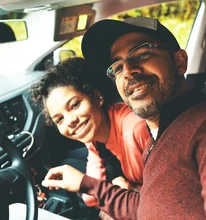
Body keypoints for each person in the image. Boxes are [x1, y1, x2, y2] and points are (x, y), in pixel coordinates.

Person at [42, 16, 206, 220]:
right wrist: (86, 184)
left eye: (142, 54)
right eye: (117, 67)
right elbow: (151, 204)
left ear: (180, 62)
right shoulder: (157, 136)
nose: (127, 70)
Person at [30, 57, 150, 218]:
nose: (71, 121)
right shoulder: (94, 137)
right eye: (59, 119)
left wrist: (125, 190)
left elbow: (163, 201)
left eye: (75, 105)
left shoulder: (136, 130)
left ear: (97, 98)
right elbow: (90, 199)